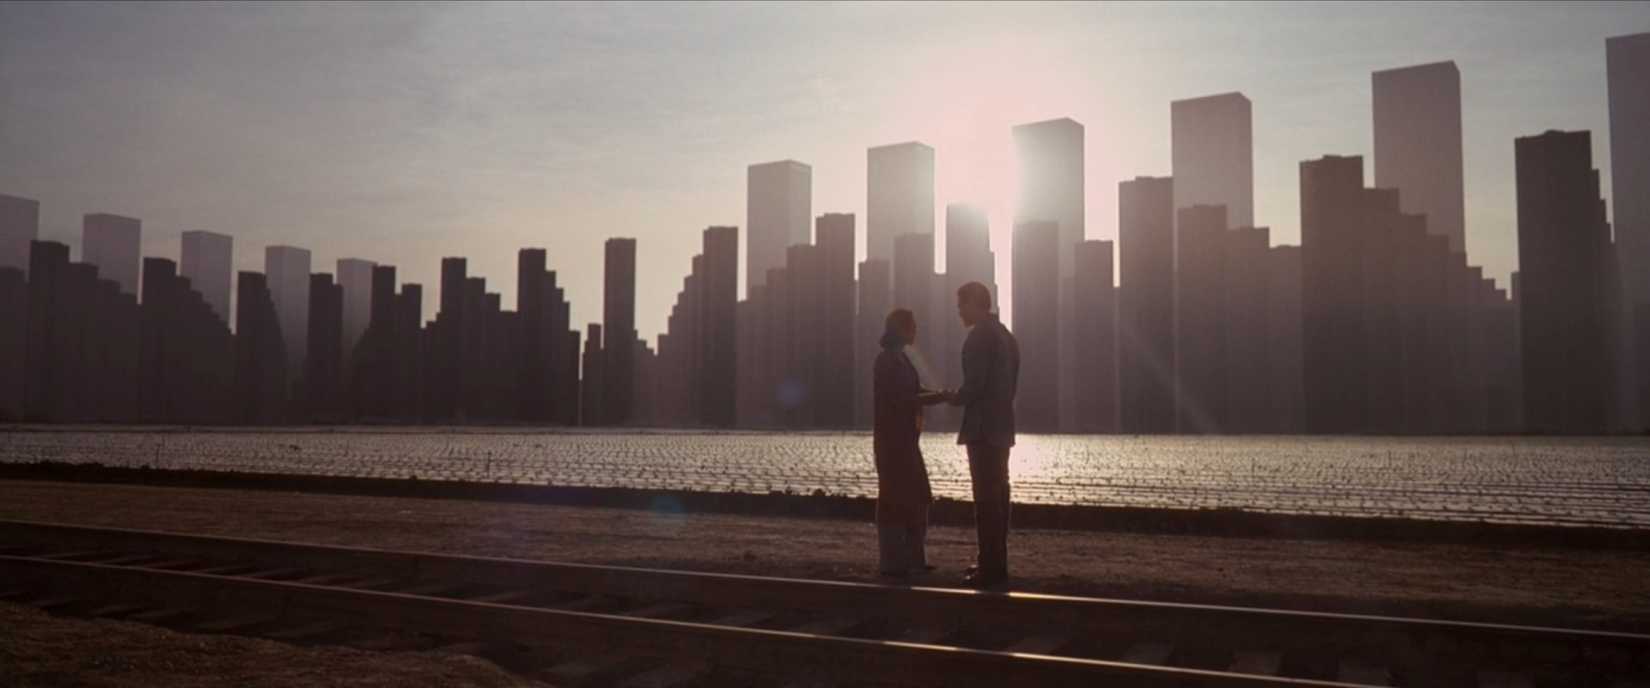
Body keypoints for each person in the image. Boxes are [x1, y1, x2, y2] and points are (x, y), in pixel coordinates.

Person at [947, 281, 1020, 588]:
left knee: (986, 499)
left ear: (975, 304)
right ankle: (996, 563)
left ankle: (989, 566)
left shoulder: (979, 337)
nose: (959, 312)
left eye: (961, 305)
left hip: (982, 429)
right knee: (1000, 496)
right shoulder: (1006, 335)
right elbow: (1011, 383)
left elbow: (974, 386)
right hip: (1002, 425)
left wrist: (952, 396)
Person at [871, 308, 949, 578]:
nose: (916, 330)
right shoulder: (887, 362)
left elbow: (914, 392)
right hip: (893, 443)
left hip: (906, 440)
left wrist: (939, 394)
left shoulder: (901, 359)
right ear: (901, 329)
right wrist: (939, 398)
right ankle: (893, 561)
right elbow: (906, 398)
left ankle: (913, 557)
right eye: (912, 326)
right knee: (895, 499)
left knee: (917, 496)